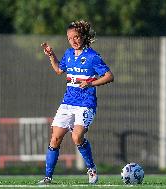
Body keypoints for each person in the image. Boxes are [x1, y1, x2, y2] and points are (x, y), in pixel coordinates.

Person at [38, 20, 114, 184]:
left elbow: (109, 76)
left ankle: (91, 168)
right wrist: (51, 55)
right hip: (67, 103)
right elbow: (59, 70)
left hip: (86, 103)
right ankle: (47, 178)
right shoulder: (68, 54)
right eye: (70, 38)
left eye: (76, 37)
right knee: (55, 139)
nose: (73, 40)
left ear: (83, 37)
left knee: (77, 137)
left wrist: (90, 83)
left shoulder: (93, 57)